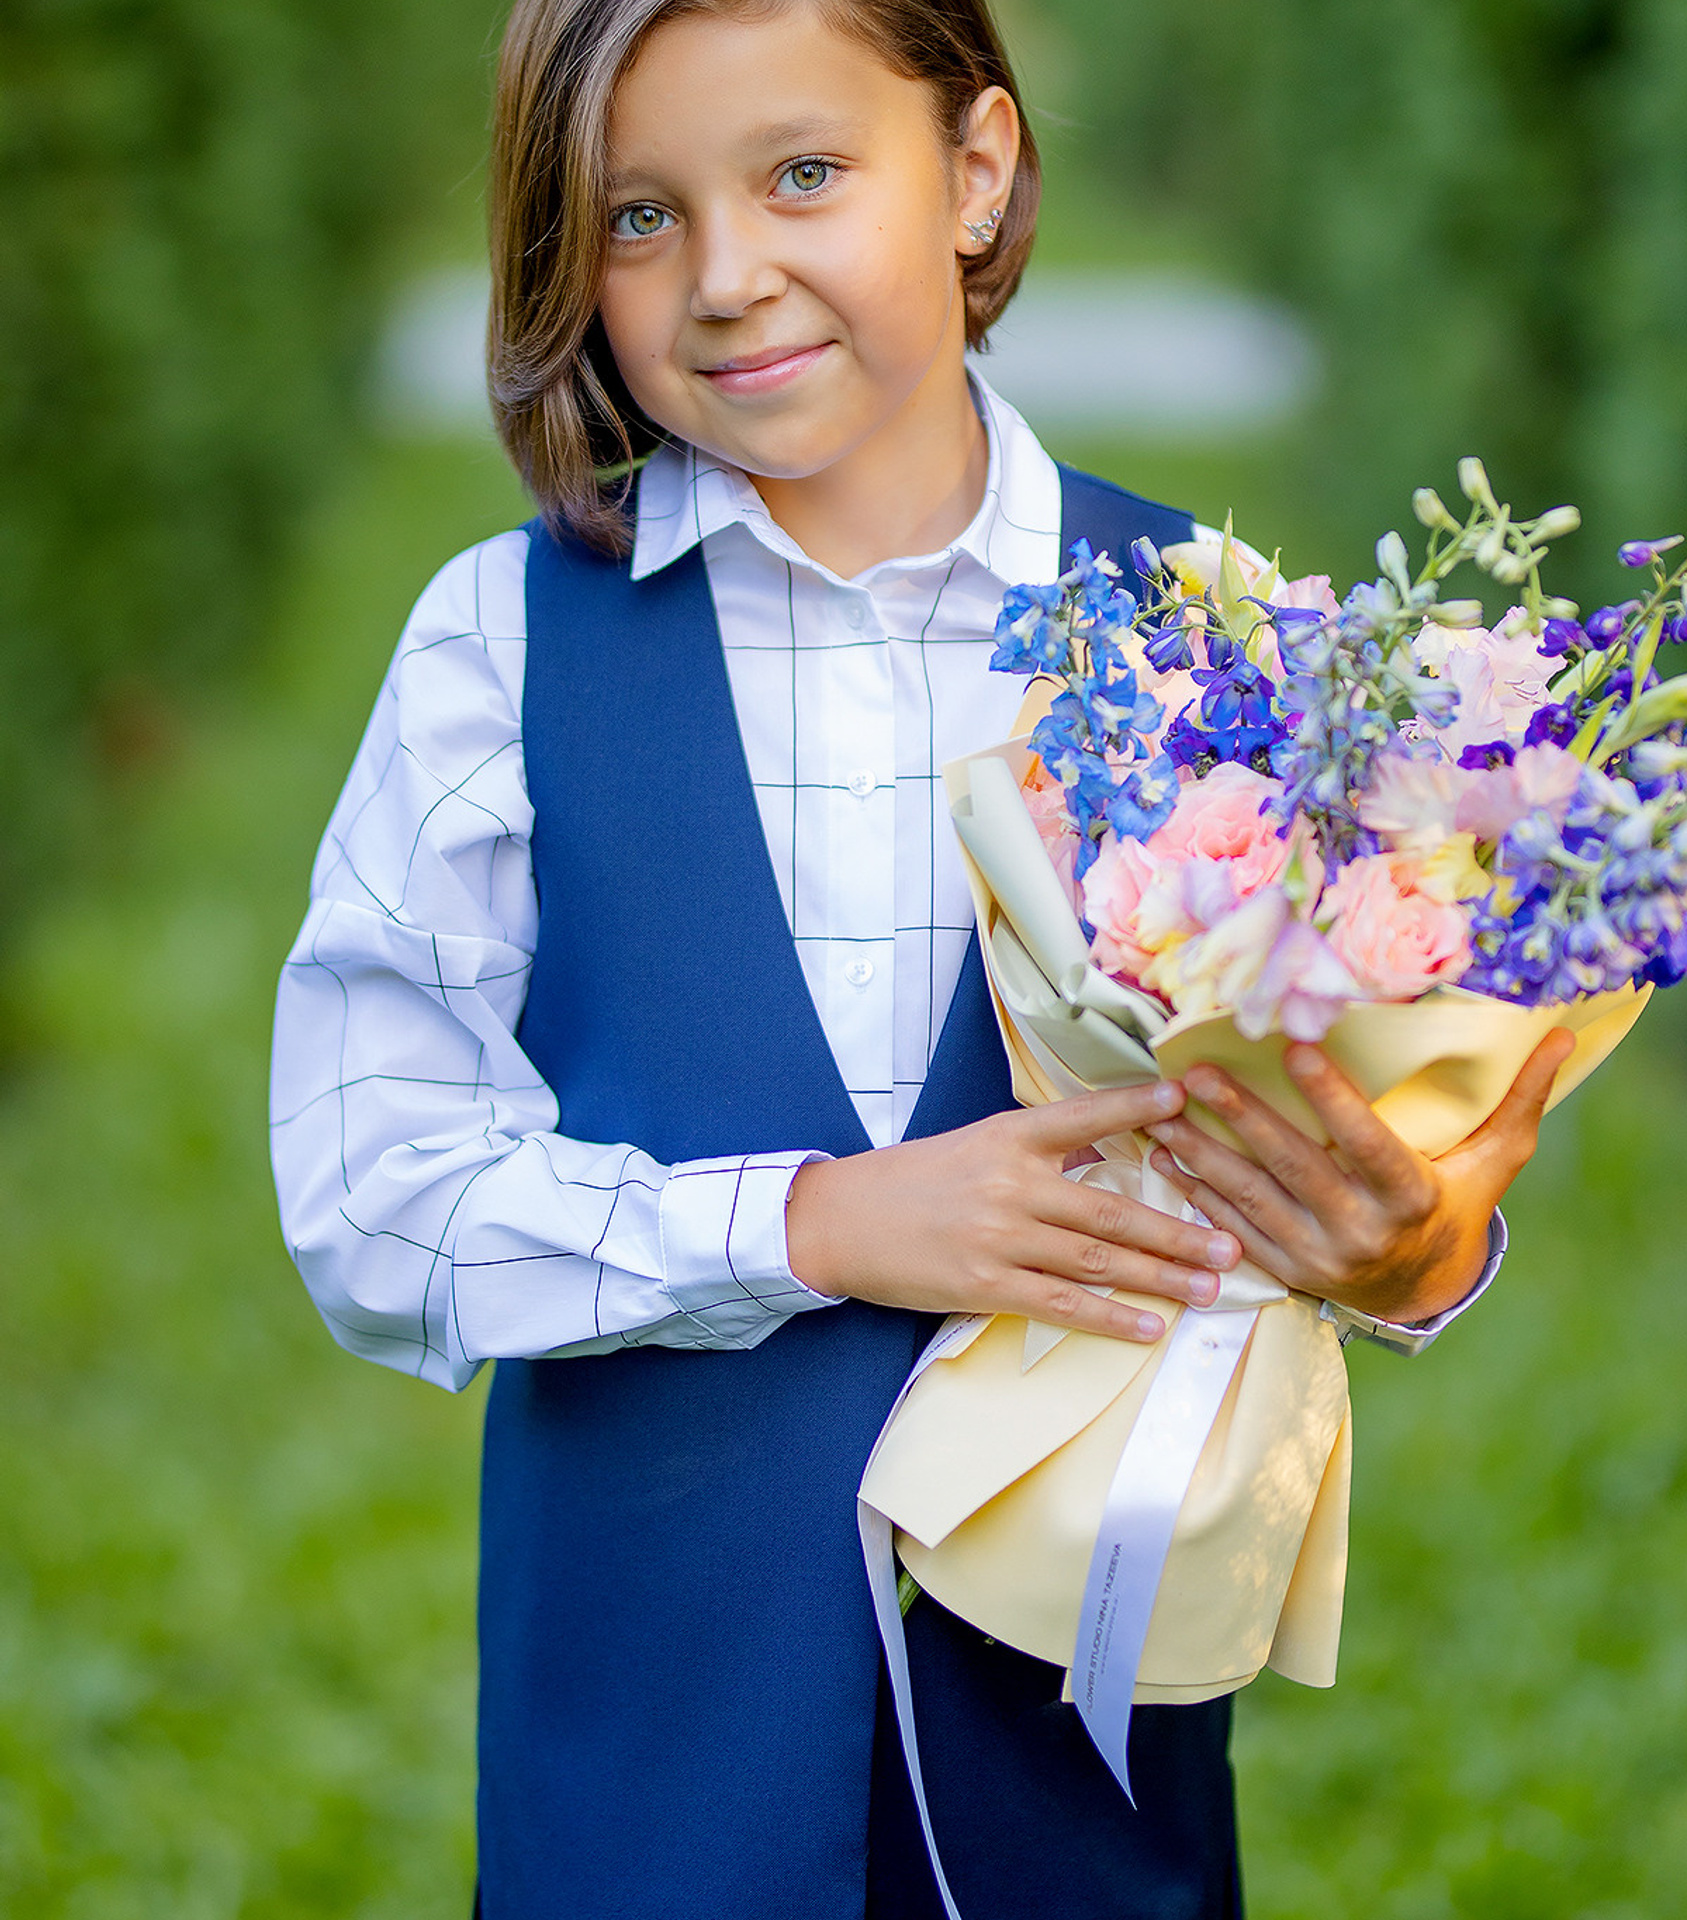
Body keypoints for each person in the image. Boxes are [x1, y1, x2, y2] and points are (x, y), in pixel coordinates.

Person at [268, 0, 1574, 1914]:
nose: (726, 277)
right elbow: (372, 1194)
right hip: (653, 1759)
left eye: (804, 173)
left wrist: (1420, 1247)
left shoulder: (1220, 652)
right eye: (638, 217)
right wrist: (815, 1226)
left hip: (1077, 1766)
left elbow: (1364, 1120)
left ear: (974, 170)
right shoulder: (501, 649)